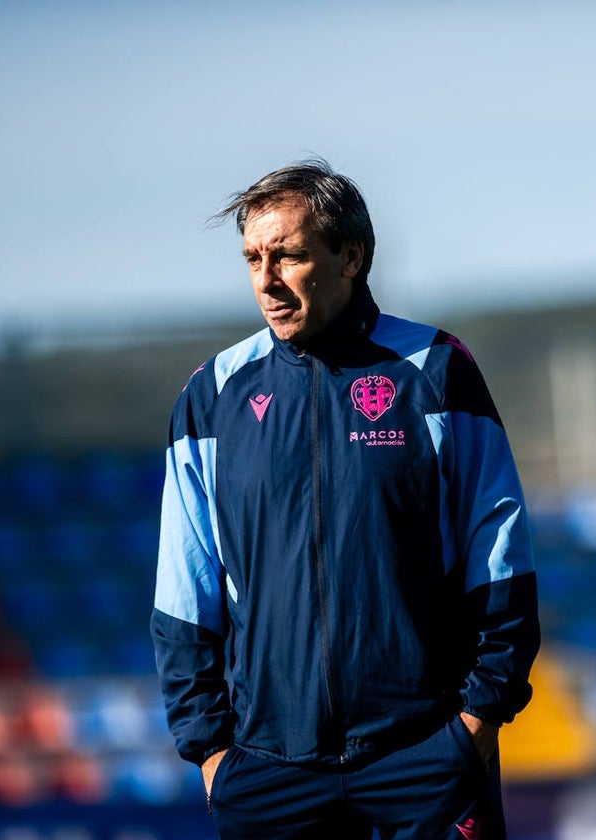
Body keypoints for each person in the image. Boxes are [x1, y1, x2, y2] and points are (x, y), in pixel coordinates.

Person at [150, 159, 539, 839]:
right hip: (270, 771)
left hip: (425, 760)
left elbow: (502, 559)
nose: (266, 281)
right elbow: (183, 598)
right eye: (252, 259)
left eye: (290, 256)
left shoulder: (436, 371)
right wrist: (212, 754)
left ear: (351, 256)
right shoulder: (212, 398)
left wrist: (472, 728)